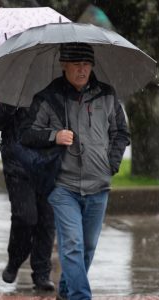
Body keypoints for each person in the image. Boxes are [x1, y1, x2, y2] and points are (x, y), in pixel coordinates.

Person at [20, 43, 131, 299]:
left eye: (86, 64)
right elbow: (26, 134)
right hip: (62, 185)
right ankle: (81, 296)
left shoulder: (107, 94)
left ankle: (67, 292)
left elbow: (121, 132)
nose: (82, 70)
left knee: (88, 247)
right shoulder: (49, 97)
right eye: (76, 64)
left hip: (99, 185)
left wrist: (111, 164)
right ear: (64, 65)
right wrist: (54, 135)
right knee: (72, 245)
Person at [0, 102, 55, 291]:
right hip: (17, 165)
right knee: (25, 217)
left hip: (48, 164)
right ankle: (15, 259)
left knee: (47, 221)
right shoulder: (12, 86)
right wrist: (10, 106)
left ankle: (42, 273)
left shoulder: (55, 86)